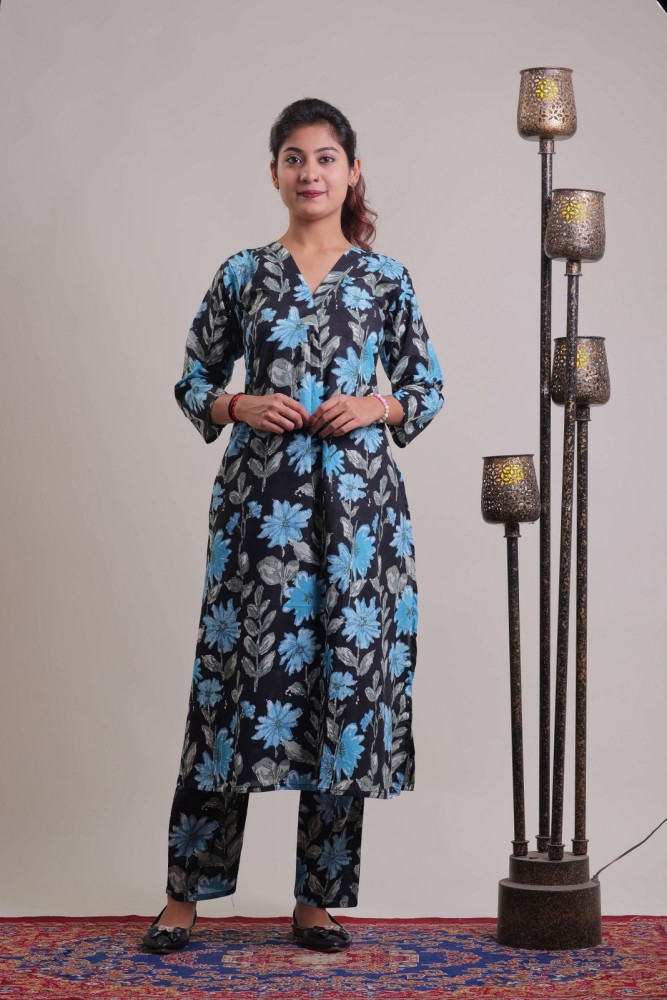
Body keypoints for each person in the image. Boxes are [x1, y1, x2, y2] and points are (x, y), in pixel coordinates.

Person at [142, 96, 444, 955]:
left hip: (357, 521)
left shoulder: (385, 279)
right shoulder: (243, 273)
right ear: (274, 173)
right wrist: (236, 403)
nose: (309, 172)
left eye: (324, 158)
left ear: (351, 171)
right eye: (293, 158)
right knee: (231, 690)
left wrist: (374, 405)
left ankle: (316, 900)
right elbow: (193, 378)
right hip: (258, 514)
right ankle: (183, 895)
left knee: (339, 689)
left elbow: (424, 387)